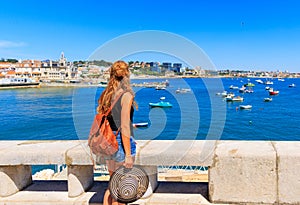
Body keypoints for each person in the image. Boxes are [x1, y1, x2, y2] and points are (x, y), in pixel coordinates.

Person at [97, 60, 137, 205]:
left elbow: (111, 120)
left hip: (108, 140)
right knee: (121, 189)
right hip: (120, 142)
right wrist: (128, 155)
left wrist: (132, 128)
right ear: (127, 74)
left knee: (113, 184)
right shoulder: (126, 95)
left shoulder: (106, 94)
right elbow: (124, 126)